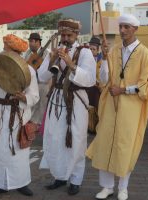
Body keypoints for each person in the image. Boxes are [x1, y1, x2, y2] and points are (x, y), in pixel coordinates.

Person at [86, 14, 148, 200]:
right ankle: (106, 187)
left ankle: (123, 188)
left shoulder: (145, 53)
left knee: (125, 145)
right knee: (105, 142)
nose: (122, 30)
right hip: (110, 105)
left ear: (135, 29)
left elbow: (146, 85)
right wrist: (105, 59)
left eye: (126, 27)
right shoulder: (114, 50)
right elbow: (105, 79)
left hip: (131, 107)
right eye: (121, 27)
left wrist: (123, 90)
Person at [38, 19, 96, 195]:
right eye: (62, 35)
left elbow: (90, 80)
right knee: (55, 139)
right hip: (56, 99)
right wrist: (52, 58)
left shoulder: (85, 52)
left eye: (69, 35)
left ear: (76, 35)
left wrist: (71, 64)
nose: (65, 38)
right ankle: (59, 176)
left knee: (76, 140)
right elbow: (41, 77)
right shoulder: (54, 51)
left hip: (76, 100)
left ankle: (75, 179)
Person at [0, 34, 39, 197]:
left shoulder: (28, 70)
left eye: (5, 47)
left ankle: (21, 183)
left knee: (17, 150)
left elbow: (34, 96)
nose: (3, 50)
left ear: (13, 51)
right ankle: (1, 183)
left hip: (18, 115)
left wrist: (23, 98)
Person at [24, 33, 50, 127]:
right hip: (30, 83)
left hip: (42, 84)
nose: (29, 44)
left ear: (38, 42)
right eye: (29, 41)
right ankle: (30, 125)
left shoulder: (47, 53)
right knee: (31, 105)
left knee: (42, 105)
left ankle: (40, 126)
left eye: (31, 41)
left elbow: (49, 68)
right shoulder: (27, 53)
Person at [86, 36, 103, 134]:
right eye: (90, 49)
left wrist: (99, 83)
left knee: (98, 108)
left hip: (98, 88)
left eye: (93, 49)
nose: (91, 51)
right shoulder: (85, 59)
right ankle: (90, 126)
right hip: (89, 88)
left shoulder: (101, 61)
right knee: (89, 107)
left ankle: (98, 127)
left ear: (98, 50)